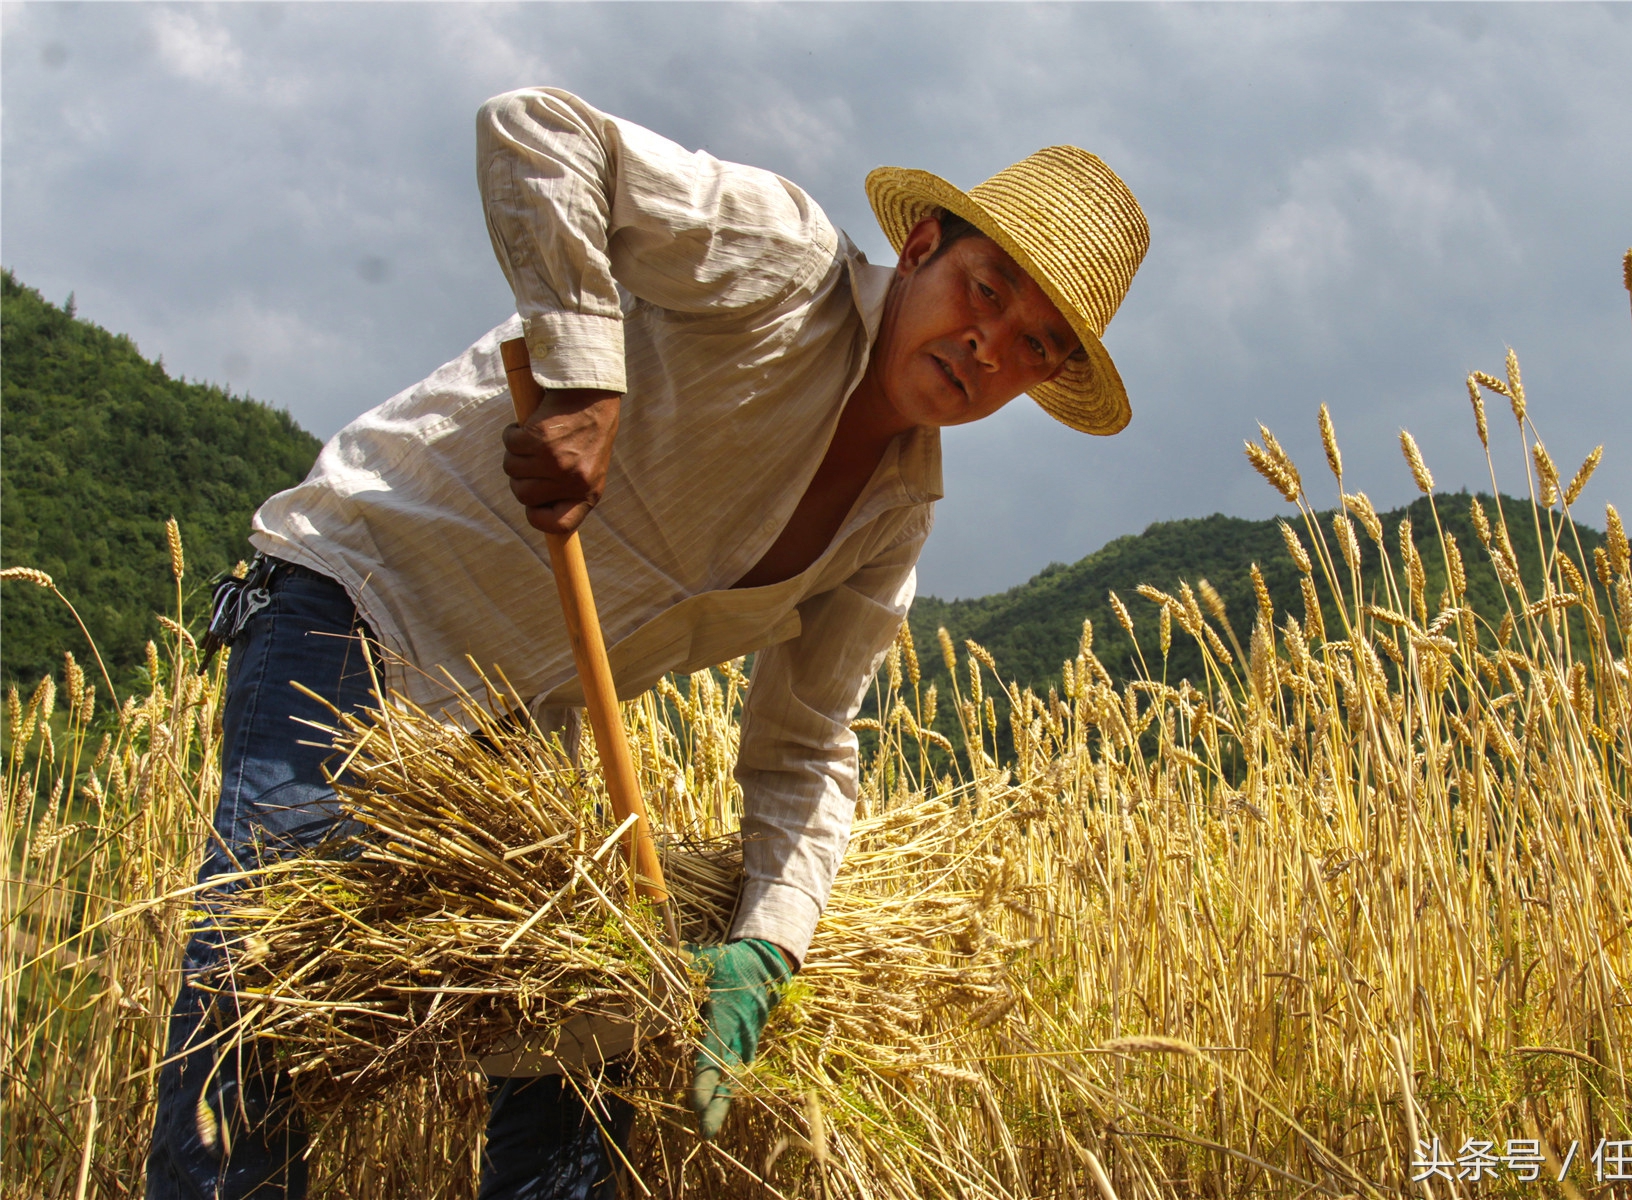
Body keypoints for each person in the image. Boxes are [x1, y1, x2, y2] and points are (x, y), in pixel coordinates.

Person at [146, 86, 1149, 1199]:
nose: (986, 344)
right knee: (268, 981)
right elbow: (539, 130)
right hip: (360, 604)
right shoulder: (784, 262)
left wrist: (769, 946)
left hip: (507, 731)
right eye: (985, 289)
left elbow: (807, 742)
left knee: (593, 1023)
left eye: (1031, 345)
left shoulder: (893, 517)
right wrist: (584, 378)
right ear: (920, 248)